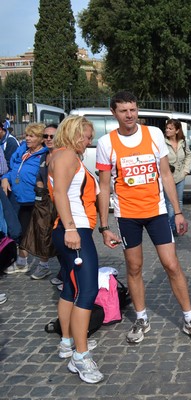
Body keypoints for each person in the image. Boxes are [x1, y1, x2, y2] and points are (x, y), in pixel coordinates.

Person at [96, 90, 191, 345]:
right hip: (127, 216)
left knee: (172, 264)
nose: (129, 115)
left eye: (133, 110)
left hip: (157, 211)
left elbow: (166, 175)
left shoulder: (154, 134)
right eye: (124, 111)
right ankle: (141, 317)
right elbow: (103, 187)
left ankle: (190, 318)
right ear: (114, 113)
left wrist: (177, 211)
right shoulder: (106, 143)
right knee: (134, 267)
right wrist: (103, 226)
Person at [49, 116, 102, 383]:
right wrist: (71, 228)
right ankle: (80, 357)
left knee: (71, 287)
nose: (89, 141)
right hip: (74, 230)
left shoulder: (60, 155)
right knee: (87, 290)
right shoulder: (67, 155)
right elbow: (60, 193)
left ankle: (67, 343)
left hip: (72, 228)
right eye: (87, 136)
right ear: (73, 133)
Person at [1, 123, 49, 274]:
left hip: (36, 198)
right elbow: (13, 168)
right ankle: (22, 261)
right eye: (27, 135)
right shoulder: (22, 149)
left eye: (32, 136)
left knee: (41, 232)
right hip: (19, 198)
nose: (27, 138)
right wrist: (6, 178)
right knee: (21, 230)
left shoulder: (44, 154)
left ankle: (44, 265)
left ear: (41, 139)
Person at [26, 124, 58, 280]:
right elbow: (40, 176)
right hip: (46, 201)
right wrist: (40, 190)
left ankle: (66, 270)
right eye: (46, 136)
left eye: (52, 136)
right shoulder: (45, 155)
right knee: (43, 232)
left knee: (58, 235)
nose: (49, 139)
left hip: (59, 201)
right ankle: (44, 265)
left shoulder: (62, 155)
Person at [164, 119, 191, 235]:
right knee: (169, 202)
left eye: (170, 128)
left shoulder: (183, 142)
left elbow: (188, 156)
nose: (167, 130)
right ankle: (170, 228)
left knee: (179, 201)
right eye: (167, 128)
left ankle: (176, 225)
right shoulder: (163, 142)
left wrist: (185, 170)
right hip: (167, 177)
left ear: (177, 130)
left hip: (180, 177)